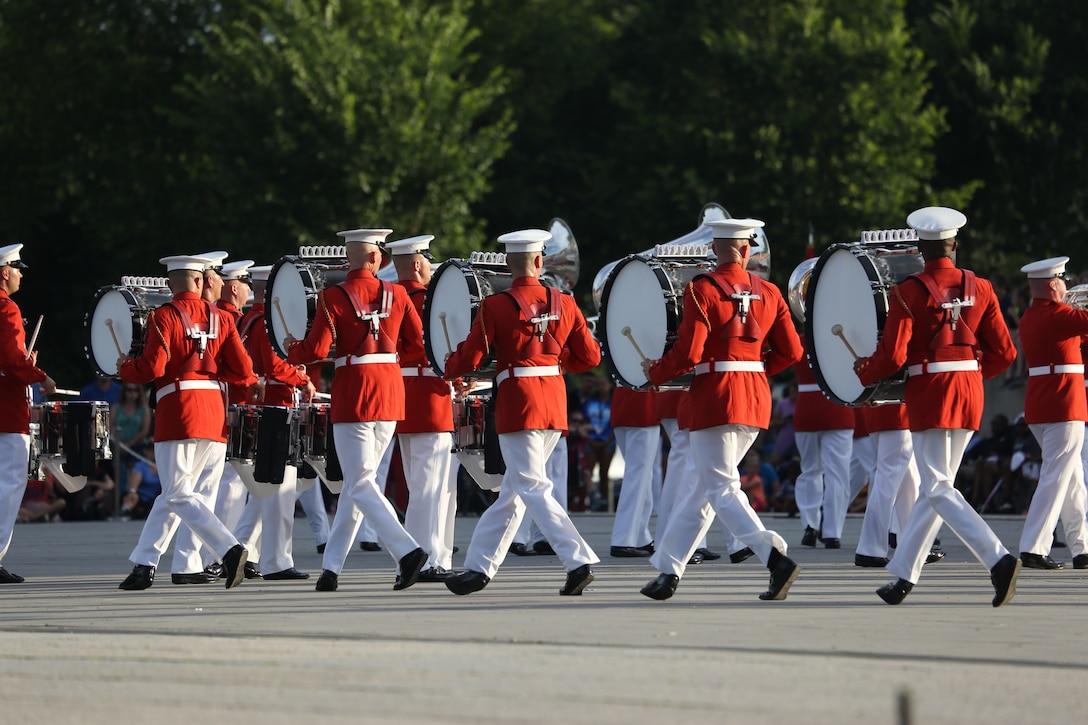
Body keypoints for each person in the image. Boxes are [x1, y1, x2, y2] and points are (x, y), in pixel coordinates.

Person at [853, 206, 1020, 606]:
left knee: (938, 486)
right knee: (934, 486)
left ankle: (997, 559)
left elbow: (893, 358)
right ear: (954, 245)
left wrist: (863, 370)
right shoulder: (982, 287)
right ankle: (903, 577)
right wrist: (973, 373)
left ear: (919, 250)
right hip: (968, 389)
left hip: (931, 391)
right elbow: (1005, 353)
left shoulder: (908, 291)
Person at [638, 218, 804, 602]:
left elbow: (691, 352)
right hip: (754, 396)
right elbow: (792, 352)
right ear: (747, 250)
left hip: (715, 396)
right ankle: (668, 571)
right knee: (703, 488)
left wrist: (656, 372)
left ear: (714, 249)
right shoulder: (770, 292)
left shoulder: (702, 288)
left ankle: (774, 558)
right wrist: (754, 368)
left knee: (719, 487)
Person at [443, 228, 602, 596]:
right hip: (552, 401)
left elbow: (470, 357)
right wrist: (551, 362)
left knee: (530, 486)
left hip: (520, 403)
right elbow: (590, 357)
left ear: (507, 265)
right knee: (515, 491)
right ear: (540, 261)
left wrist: (449, 364)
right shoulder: (565, 302)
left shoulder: (495, 305)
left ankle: (577, 560)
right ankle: (479, 568)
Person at [286, 228, 428, 592]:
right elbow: (416, 346)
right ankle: (331, 569)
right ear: (376, 258)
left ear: (347, 259)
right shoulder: (398, 293)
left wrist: (294, 349)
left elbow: (317, 348)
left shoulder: (332, 296)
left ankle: (407, 550)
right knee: (356, 482)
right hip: (391, 392)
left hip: (355, 393)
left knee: (360, 482)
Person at [116, 253, 260, 591]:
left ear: (169, 285)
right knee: (182, 492)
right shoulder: (222, 317)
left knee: (179, 492)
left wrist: (125, 367)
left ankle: (228, 548)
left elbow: (152, 368)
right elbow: (243, 371)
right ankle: (152, 564)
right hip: (214, 410)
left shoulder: (163, 316)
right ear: (201, 281)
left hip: (179, 409)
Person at [236, 263, 316, 580]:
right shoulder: (265, 322)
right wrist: (300, 379)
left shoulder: (248, 319)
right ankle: (276, 561)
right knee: (279, 488)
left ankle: (242, 548)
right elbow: (273, 366)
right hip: (277, 405)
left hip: (264, 405)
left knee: (267, 489)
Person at [387, 234, 457, 581]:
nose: (431, 266)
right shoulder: (430, 300)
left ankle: (437, 555)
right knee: (434, 485)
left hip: (404, 392)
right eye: (427, 260)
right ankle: (426, 559)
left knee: (424, 483)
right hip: (431, 392)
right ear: (417, 263)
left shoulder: (389, 299)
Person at [1014, 256, 1088, 570]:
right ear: (1054, 284)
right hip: (1064, 405)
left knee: (1072, 479)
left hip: (1041, 405)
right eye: (1063, 281)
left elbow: (1075, 338)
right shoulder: (1060, 315)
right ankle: (1034, 546)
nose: (1067, 287)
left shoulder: (1031, 317)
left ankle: (1082, 548)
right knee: (1058, 477)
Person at [0, 243, 58, 583]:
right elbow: (10, 360)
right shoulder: (6, 309)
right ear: (5, 272)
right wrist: (41, 376)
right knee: (9, 483)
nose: (21, 274)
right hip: (7, 410)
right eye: (18, 268)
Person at [609, 386, 660, 557]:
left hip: (622, 403)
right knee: (638, 476)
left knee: (643, 477)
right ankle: (623, 539)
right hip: (644, 404)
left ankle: (640, 536)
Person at [582, 375, 615, 511]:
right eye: (599, 384)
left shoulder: (613, 403)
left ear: (610, 386)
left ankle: (605, 503)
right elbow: (584, 421)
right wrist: (589, 439)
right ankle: (586, 502)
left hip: (608, 441)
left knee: (604, 472)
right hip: (591, 440)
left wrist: (608, 440)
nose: (601, 387)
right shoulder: (590, 403)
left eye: (604, 383)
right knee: (588, 472)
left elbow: (615, 423)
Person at [110, 382, 151, 488]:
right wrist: (120, 444)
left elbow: (144, 431)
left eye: (135, 390)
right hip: (117, 447)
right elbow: (110, 427)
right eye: (129, 390)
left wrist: (129, 445)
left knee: (134, 477)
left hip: (136, 448)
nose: (132, 393)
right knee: (117, 478)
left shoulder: (144, 410)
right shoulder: (116, 407)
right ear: (124, 391)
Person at [121, 443, 162, 519]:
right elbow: (134, 485)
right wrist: (132, 491)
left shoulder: (163, 466)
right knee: (133, 495)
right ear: (145, 452)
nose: (153, 453)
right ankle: (126, 510)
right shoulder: (141, 466)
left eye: (154, 450)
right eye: (150, 451)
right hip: (141, 496)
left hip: (155, 497)